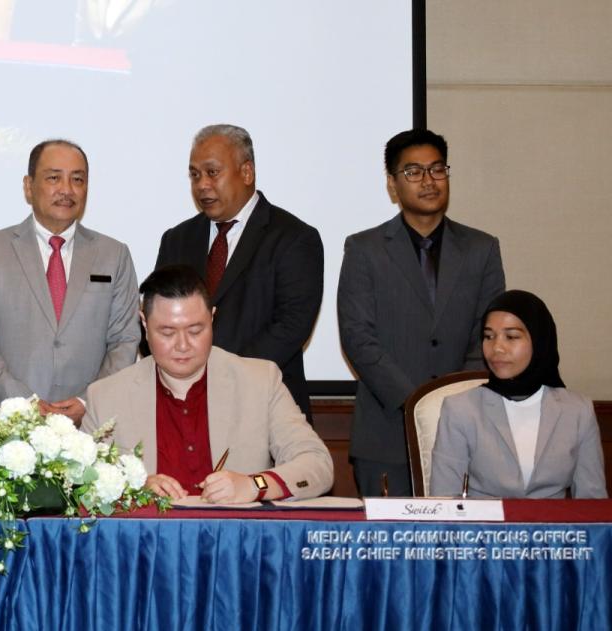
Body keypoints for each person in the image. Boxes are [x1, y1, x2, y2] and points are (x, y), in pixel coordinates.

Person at [339, 128, 505, 497]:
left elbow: (489, 335)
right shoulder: (364, 249)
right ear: (392, 185)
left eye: (437, 169)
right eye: (413, 172)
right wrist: (417, 403)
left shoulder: (481, 249)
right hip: (386, 433)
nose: (428, 181)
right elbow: (357, 337)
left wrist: (453, 401)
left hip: (465, 427)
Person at [82, 265, 332, 503]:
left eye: (195, 330)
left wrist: (254, 485)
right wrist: (133, 488)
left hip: (238, 532)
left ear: (212, 317)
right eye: (167, 333)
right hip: (150, 533)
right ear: (145, 325)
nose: (182, 345)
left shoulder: (260, 381)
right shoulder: (107, 396)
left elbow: (317, 464)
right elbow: (78, 480)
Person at [0, 139, 139, 423]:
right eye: (54, 178)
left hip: (89, 425)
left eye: (77, 179)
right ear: (28, 186)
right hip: (8, 426)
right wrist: (21, 404)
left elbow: (125, 340)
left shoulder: (114, 255)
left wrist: (88, 401)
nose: (67, 189)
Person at [154, 124, 323, 420]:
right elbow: (158, 315)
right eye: (195, 175)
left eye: (212, 172)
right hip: (184, 408)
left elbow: (291, 326)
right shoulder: (177, 239)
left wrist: (219, 378)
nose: (202, 185)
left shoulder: (294, 237)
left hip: (264, 406)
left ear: (246, 172)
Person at [430, 291, 606, 499]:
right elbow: (444, 500)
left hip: (553, 521)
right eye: (489, 336)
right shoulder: (461, 409)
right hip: (485, 521)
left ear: (539, 341)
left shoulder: (577, 411)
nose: (497, 348)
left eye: (511, 337)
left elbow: (592, 502)